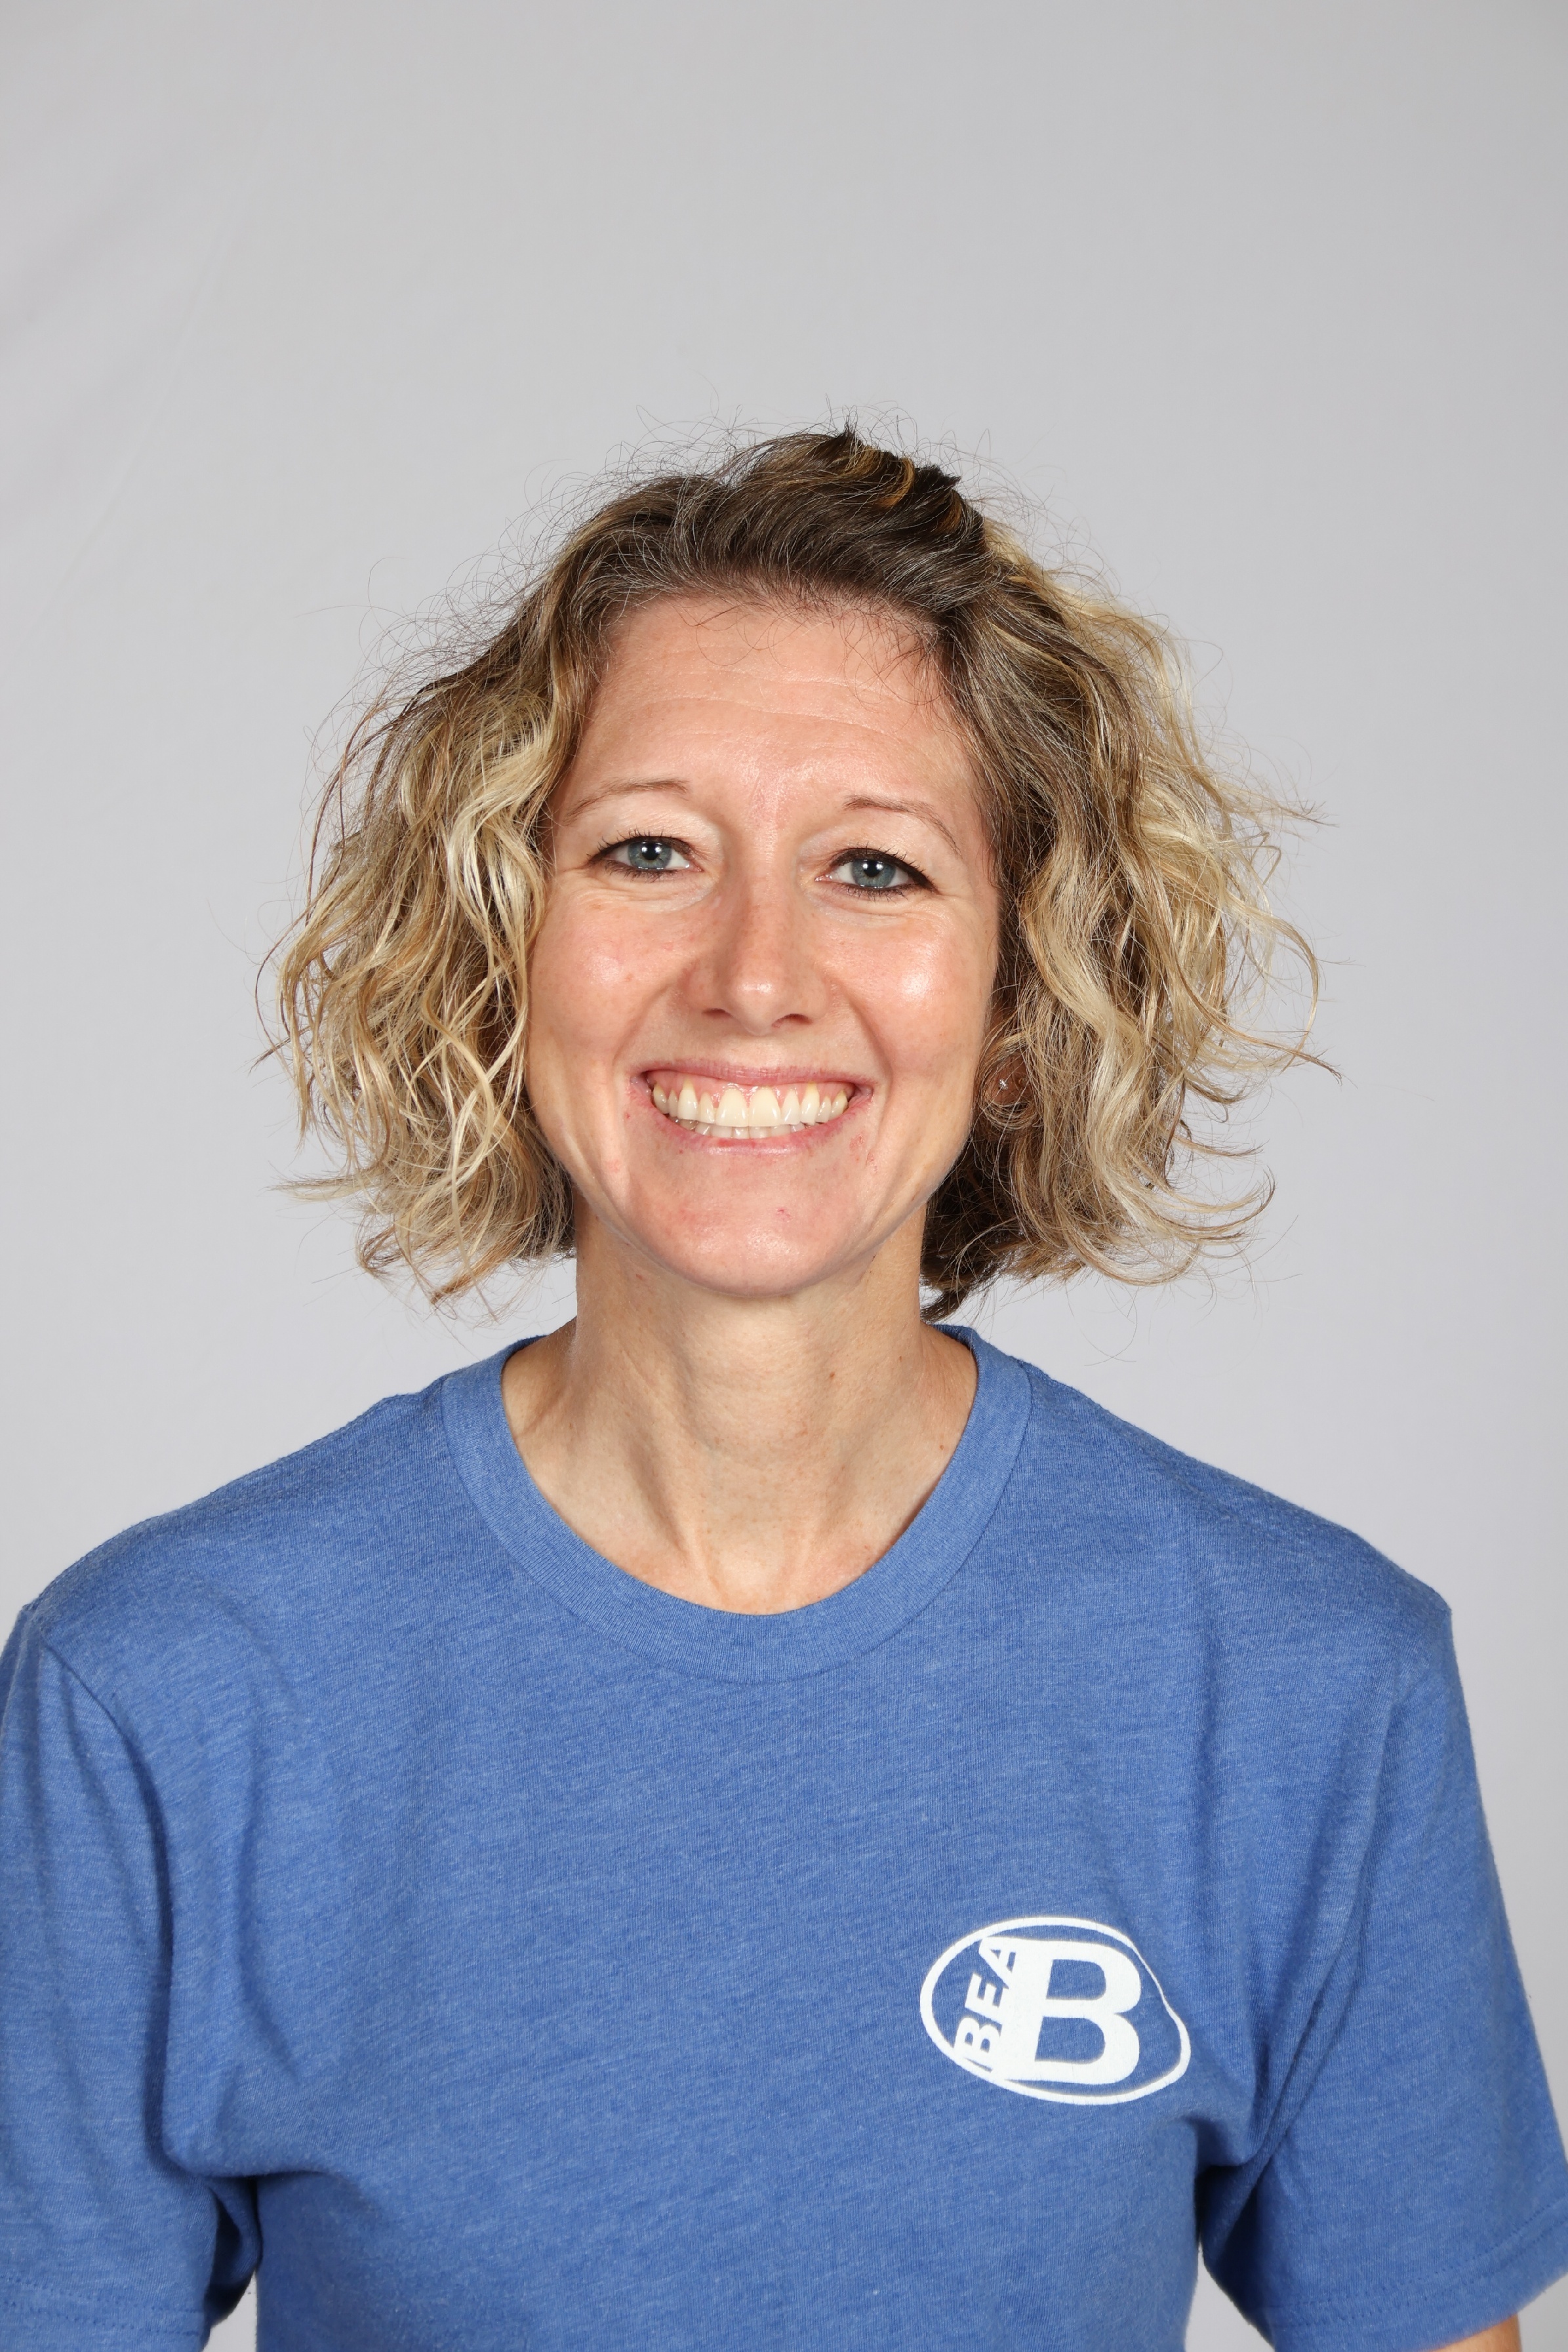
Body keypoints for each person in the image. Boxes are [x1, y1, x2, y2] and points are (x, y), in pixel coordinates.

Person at [1, 428, 1563, 2352]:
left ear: (1020, 999)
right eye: (649, 851)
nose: (757, 974)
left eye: (876, 868)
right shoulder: (165, 1694)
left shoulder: (1302, 1690)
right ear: (505, 950)